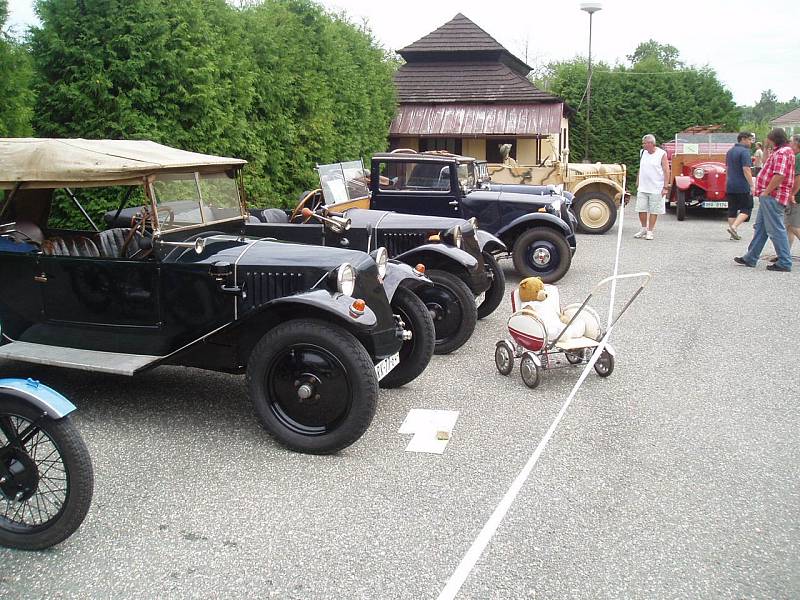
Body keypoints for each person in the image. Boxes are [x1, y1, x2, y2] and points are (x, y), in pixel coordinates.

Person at [734, 128, 795, 272]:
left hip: (773, 195)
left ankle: (785, 262)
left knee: (776, 229)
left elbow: (779, 175)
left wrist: (766, 192)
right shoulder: (784, 151)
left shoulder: (781, 153)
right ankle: (751, 257)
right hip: (771, 195)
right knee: (761, 228)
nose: (767, 142)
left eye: (769, 140)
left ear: (774, 139)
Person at [634, 134, 670, 240]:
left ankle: (650, 231)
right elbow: (641, 167)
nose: (643, 145)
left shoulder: (661, 154)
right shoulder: (643, 152)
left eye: (644, 143)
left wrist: (665, 187)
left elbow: (666, 170)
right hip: (643, 187)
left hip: (656, 187)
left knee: (654, 210)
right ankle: (644, 228)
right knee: (641, 209)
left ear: (650, 143)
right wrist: (638, 180)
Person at [724, 132, 755, 240]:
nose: (751, 142)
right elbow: (746, 169)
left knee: (732, 209)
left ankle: (733, 233)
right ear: (743, 139)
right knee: (747, 208)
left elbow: (727, 169)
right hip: (742, 184)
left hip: (730, 184)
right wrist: (752, 185)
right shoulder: (745, 152)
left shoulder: (730, 151)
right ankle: (734, 227)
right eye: (750, 139)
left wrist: (727, 181)